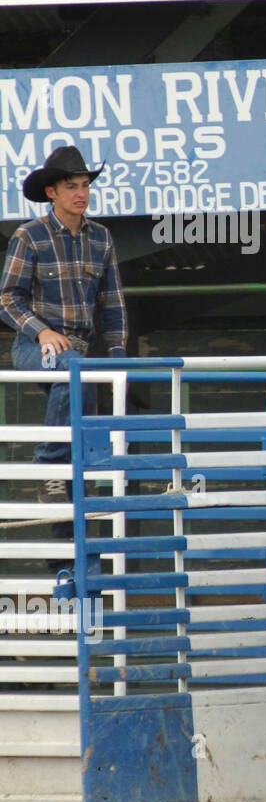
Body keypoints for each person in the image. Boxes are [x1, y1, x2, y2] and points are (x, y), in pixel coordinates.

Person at [0, 146, 128, 570]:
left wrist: (117, 358)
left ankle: (70, 565)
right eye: (72, 186)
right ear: (52, 192)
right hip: (33, 344)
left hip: (82, 354)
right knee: (69, 369)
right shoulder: (28, 235)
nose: (81, 193)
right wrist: (44, 332)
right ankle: (48, 466)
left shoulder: (101, 237)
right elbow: (7, 300)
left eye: (85, 185)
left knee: (83, 452)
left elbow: (112, 304)